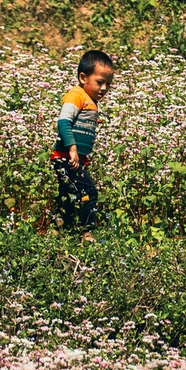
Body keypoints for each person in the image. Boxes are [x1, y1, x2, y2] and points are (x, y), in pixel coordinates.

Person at [53, 49, 115, 237]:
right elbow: (63, 121)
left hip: (74, 158)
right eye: (99, 82)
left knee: (68, 196)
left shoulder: (89, 99)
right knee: (89, 191)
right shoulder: (76, 95)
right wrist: (72, 149)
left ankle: (59, 231)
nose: (103, 88)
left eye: (108, 84)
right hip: (67, 157)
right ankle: (86, 233)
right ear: (83, 77)